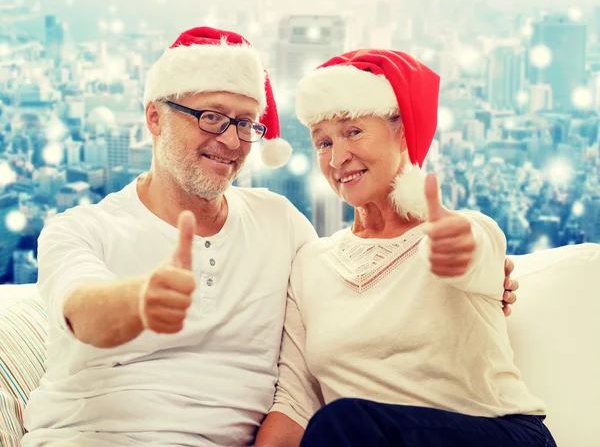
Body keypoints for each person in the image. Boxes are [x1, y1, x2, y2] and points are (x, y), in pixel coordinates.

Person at [22, 29, 518, 447]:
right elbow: (80, 308)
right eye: (211, 117)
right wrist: (139, 301)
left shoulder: (280, 225)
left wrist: (479, 265)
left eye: (244, 123)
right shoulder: (80, 229)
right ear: (154, 117)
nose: (232, 141)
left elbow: (463, 256)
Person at [256, 49, 556, 447]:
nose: (338, 157)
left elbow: (473, 252)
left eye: (354, 132)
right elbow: (295, 403)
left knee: (345, 421)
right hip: (358, 437)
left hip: (496, 434)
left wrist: (456, 247)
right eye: (323, 142)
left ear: (402, 132)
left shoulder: (464, 230)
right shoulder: (311, 263)